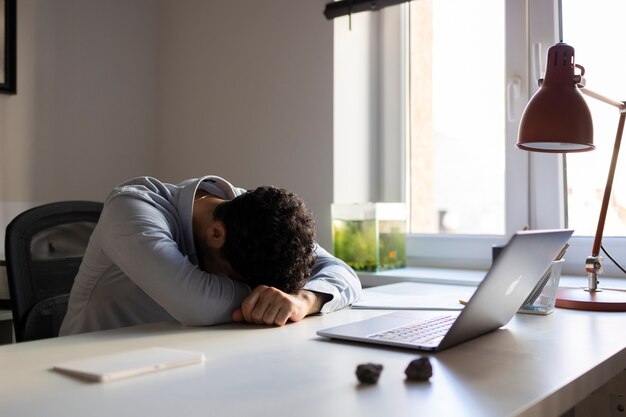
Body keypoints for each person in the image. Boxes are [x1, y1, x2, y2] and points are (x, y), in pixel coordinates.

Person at [59, 175, 362, 335]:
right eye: (235, 279)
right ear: (216, 234)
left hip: (178, 360)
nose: (267, 294)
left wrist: (302, 300)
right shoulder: (131, 209)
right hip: (88, 372)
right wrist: (265, 301)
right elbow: (196, 305)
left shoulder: (254, 214)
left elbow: (344, 273)